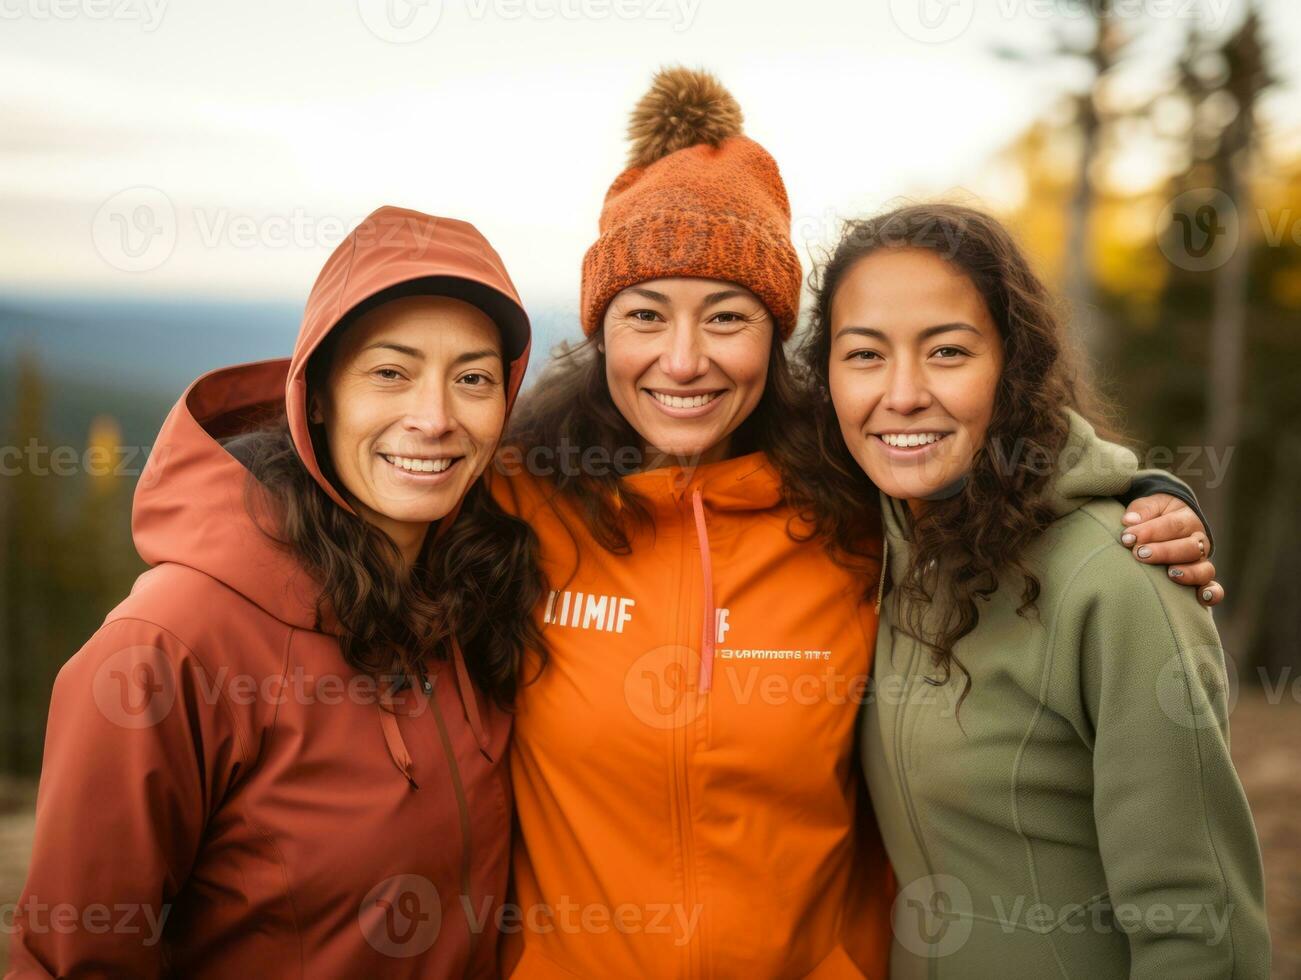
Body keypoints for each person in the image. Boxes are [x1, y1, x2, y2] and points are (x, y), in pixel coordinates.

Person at [491, 69, 1217, 977]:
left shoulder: (851, 510)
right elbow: (376, 483)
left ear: (780, 338)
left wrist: (1144, 492)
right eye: (644, 315)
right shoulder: (516, 504)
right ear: (603, 330)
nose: (683, 361)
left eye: (726, 317)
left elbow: (990, 473)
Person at [7, 206, 545, 978]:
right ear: (316, 396)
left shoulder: (472, 603)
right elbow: (75, 959)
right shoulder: (168, 642)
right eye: (389, 372)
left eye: (472, 380)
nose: (434, 418)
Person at [803, 202, 1268, 977]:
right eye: (863, 355)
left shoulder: (1119, 583)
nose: (903, 392)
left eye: (947, 352)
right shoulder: (863, 546)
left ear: (1012, 365)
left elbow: (1198, 925)